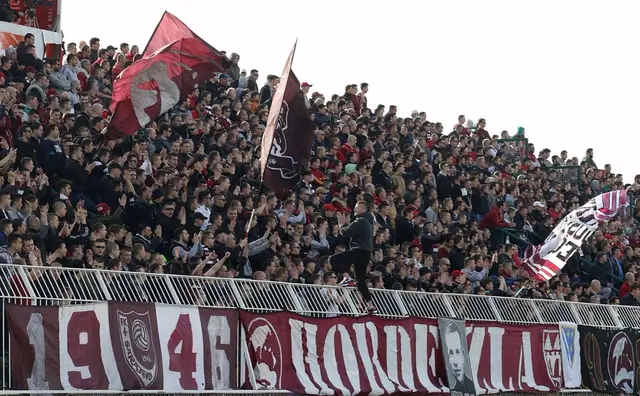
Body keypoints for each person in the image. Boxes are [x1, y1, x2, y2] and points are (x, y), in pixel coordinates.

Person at [330, 201, 376, 312]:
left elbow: (345, 233)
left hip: (359, 251)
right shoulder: (369, 222)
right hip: (366, 253)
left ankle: (347, 278)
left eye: (356, 207)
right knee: (360, 280)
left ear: (363, 209)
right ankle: (370, 304)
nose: (354, 209)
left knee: (333, 259)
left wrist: (341, 225)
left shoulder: (361, 220)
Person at [443, 321, 475, 394]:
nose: (455, 362)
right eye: (451, 353)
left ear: (463, 355)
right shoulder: (452, 388)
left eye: (457, 352)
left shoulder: (471, 387)